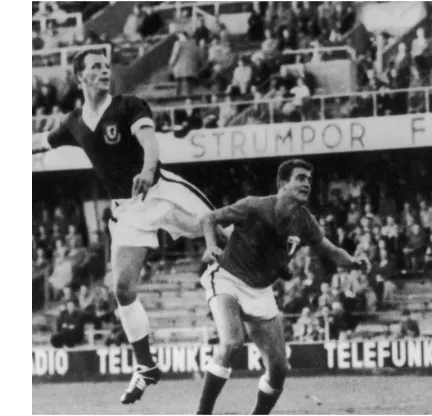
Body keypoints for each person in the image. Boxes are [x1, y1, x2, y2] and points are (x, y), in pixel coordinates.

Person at [31, 50, 226, 405]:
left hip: (161, 190)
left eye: (106, 67)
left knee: (223, 234)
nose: (104, 71)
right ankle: (146, 365)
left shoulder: (128, 105)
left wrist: (148, 169)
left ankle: (277, 248)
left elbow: (150, 144)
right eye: (95, 67)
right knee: (122, 288)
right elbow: (38, 143)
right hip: (128, 210)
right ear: (80, 78)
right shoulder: (73, 122)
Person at [195, 159, 370, 415]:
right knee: (232, 342)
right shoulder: (254, 206)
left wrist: (354, 262)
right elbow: (209, 218)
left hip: (260, 291)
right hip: (227, 278)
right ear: (282, 184)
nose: (307, 184)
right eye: (300, 178)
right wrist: (211, 246)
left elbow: (331, 251)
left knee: (279, 368)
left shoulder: (305, 222)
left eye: (309, 180)